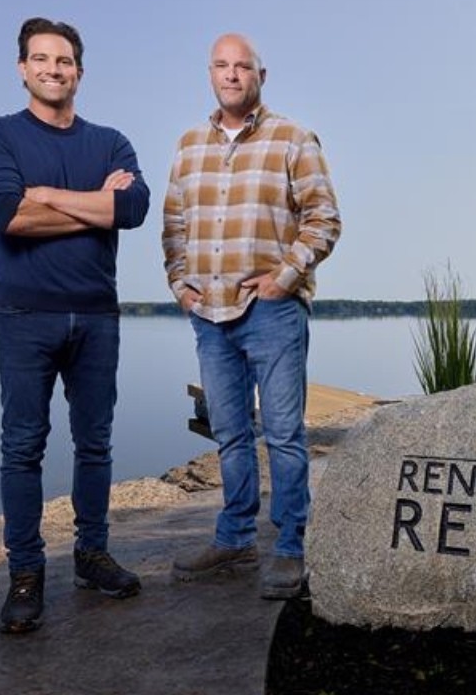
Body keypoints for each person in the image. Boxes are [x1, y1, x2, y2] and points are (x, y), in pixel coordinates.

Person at [0, 16, 150, 633]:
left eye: (64, 60)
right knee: (23, 448)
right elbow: (6, 215)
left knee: (94, 444)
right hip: (25, 315)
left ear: (79, 70)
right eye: (41, 59)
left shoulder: (110, 141)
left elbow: (133, 207)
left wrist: (45, 193)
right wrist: (92, 207)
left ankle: (91, 556)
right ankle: (26, 575)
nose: (53, 69)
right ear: (23, 68)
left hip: (97, 314)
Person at [162, 33, 341, 599]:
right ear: (210, 73)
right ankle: (235, 540)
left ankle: (291, 547)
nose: (232, 74)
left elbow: (324, 219)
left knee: (285, 435)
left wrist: (283, 278)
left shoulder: (293, 138)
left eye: (243, 66)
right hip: (208, 315)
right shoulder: (189, 144)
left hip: (271, 313)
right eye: (222, 65)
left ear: (262, 74)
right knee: (232, 435)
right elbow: (174, 226)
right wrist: (179, 286)